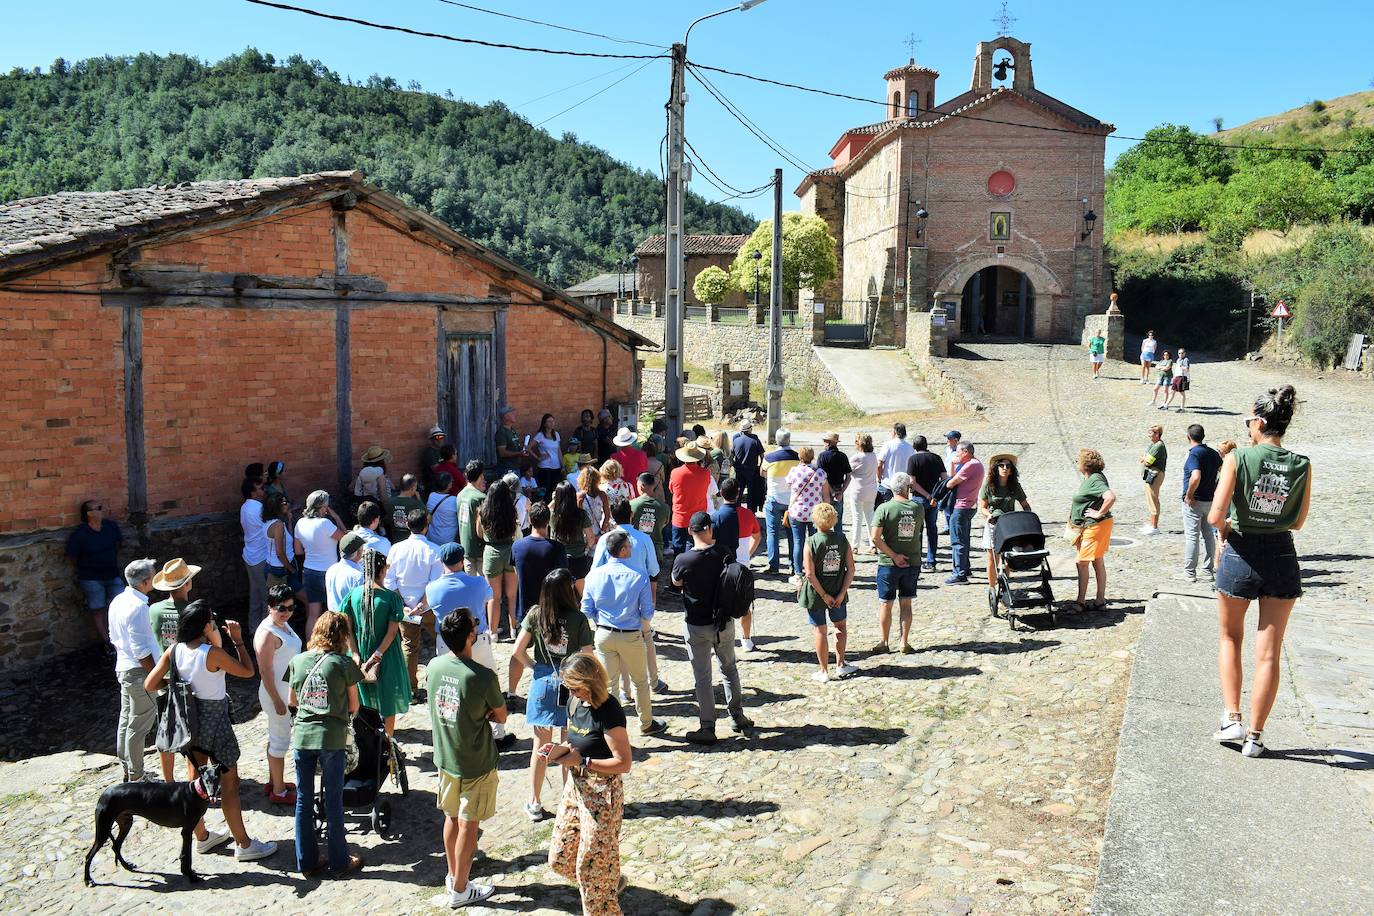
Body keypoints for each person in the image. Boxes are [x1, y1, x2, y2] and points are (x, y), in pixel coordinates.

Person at [1208, 385, 1311, 758]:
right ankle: (1255, 736)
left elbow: (1215, 515)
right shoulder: (1301, 464)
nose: (1248, 425)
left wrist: (1224, 534)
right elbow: (1298, 522)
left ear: (1261, 422)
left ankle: (1231, 717)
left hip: (1240, 552)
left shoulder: (1239, 458)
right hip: (1282, 556)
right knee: (1269, 653)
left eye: (1250, 419)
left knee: (1230, 638)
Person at [144, 599, 278, 862]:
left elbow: (150, 683)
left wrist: (179, 680)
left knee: (195, 783)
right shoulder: (212, 653)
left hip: (190, 723)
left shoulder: (174, 651)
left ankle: (203, 837)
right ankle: (243, 843)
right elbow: (248, 671)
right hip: (215, 723)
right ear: (205, 626)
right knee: (230, 785)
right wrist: (238, 640)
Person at [542, 653, 633, 916]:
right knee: (560, 858)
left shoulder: (609, 710)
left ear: (590, 682)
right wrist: (558, 750)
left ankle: (603, 888)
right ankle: (608, 880)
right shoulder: (574, 702)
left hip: (603, 795)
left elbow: (623, 763)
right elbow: (576, 742)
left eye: (574, 687)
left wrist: (584, 761)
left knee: (591, 873)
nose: (570, 692)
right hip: (576, 788)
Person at [428, 609, 506, 908]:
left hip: (446, 757)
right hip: (476, 760)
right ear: (471, 636)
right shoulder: (482, 677)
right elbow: (502, 716)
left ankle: (453, 875)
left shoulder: (434, 666)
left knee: (450, 818)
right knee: (469, 825)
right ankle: (461, 889)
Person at [508, 568, 595, 821]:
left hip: (543, 681)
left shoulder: (535, 614)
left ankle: (534, 801)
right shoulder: (578, 618)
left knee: (540, 746)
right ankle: (570, 799)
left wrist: (535, 667)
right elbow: (587, 655)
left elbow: (517, 650)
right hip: (571, 682)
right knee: (570, 745)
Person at [287, 611, 364, 878]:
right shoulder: (343, 664)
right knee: (332, 800)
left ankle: (305, 860)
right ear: (342, 635)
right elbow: (354, 706)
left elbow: (293, 701)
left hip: (302, 737)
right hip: (331, 737)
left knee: (303, 800)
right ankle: (339, 861)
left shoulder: (297, 661)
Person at [426, 543, 513, 750]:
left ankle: (454, 732)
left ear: (442, 562)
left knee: (450, 688)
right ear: (461, 560)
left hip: (447, 643)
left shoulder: (432, 588)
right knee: (490, 682)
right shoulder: (477, 583)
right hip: (477, 640)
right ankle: (497, 733)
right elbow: (488, 600)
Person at [673, 512, 751, 745]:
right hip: (724, 622)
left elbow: (676, 583)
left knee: (703, 677)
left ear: (690, 531)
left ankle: (707, 726)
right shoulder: (724, 552)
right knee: (729, 668)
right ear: (710, 529)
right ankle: (737, 716)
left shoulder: (684, 560)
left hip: (696, 624)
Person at [581, 530, 665, 736]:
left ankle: (614, 727)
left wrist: (601, 620)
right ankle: (646, 723)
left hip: (603, 634)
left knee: (610, 684)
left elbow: (586, 609)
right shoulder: (639, 576)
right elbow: (647, 611)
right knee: (640, 681)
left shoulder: (593, 575)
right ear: (624, 549)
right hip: (630, 634)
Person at [340, 548, 409, 735]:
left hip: (360, 654)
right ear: (382, 570)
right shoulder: (391, 598)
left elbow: (347, 629)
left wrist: (355, 654)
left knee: (363, 700)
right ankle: (388, 742)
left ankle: (367, 738)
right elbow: (392, 632)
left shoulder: (352, 596)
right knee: (388, 701)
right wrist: (376, 656)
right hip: (386, 654)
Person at [384, 511, 444, 701]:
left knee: (409, 647)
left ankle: (410, 689)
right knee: (443, 642)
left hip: (405, 609)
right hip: (429, 608)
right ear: (426, 526)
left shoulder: (395, 549)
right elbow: (434, 583)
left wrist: (403, 605)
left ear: (408, 526)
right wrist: (421, 604)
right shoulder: (434, 550)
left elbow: (390, 582)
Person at [110, 558, 160, 782]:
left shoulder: (118, 600)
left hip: (124, 668)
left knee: (126, 720)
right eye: (154, 574)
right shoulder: (139, 607)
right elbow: (141, 651)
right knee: (139, 726)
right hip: (138, 673)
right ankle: (136, 776)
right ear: (145, 581)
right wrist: (155, 677)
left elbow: (113, 637)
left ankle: (127, 768)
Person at [255, 584, 302, 806]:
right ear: (270, 607)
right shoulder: (267, 633)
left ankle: (275, 780)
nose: (286, 612)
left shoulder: (282, 625)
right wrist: (277, 700)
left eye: (291, 607)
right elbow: (264, 671)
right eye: (281, 608)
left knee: (276, 736)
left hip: (284, 692)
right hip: (277, 695)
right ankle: (279, 791)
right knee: (280, 740)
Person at [800, 503, 856, 682]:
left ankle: (824, 670)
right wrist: (841, 593)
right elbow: (851, 569)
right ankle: (841, 665)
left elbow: (809, 574)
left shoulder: (811, 542)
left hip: (816, 594)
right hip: (837, 589)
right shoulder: (842, 539)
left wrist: (823, 595)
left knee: (820, 631)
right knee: (840, 627)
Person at [870, 473, 924, 655]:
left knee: (886, 603)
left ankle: (884, 641)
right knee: (906, 603)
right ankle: (904, 642)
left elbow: (875, 538)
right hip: (912, 561)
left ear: (892, 488)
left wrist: (894, 555)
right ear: (908, 488)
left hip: (888, 563)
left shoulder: (884, 509)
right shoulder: (918, 508)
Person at [67, 498, 123, 651]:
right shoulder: (80, 534)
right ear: (89, 513)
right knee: (98, 609)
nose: (101, 510)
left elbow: (118, 545)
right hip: (91, 578)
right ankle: (107, 642)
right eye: (98, 508)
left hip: (112, 574)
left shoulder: (110, 527)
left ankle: (122, 638)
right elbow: (72, 556)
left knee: (123, 605)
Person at [1067, 448, 1116, 612]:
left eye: (1077, 461)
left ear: (1084, 464)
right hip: (1093, 526)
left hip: (1094, 526)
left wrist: (1099, 513)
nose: (1077, 464)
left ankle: (1080, 602)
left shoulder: (1095, 479)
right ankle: (1100, 600)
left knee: (1081, 563)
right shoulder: (1092, 478)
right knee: (1097, 561)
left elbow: (1110, 497)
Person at [1176, 423, 1222, 584]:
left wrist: (1189, 495)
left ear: (1188, 437)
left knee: (1192, 536)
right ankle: (1208, 571)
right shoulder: (1213, 453)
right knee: (1208, 535)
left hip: (1194, 501)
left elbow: (1195, 476)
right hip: (1209, 500)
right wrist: (1216, 489)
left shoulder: (1194, 455)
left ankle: (1190, 572)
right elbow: (1223, 473)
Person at [296, 490, 346, 636]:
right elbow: (345, 538)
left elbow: (298, 551)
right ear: (322, 507)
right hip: (329, 572)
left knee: (313, 614)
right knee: (334, 611)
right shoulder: (326, 523)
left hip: (309, 571)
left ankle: (311, 647)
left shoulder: (300, 523)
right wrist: (336, 517)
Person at [477, 477, 521, 639]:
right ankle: (514, 628)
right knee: (512, 594)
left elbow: (479, 534)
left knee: (494, 597)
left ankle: (493, 632)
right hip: (510, 550)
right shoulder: (511, 510)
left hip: (492, 552)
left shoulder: (482, 512)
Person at [979, 455, 1031, 590]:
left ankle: (1004, 588)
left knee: (1008, 558)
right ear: (996, 468)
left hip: (1009, 525)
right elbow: (982, 507)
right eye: (1001, 465)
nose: (1005, 468)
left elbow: (1025, 504)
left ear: (1011, 470)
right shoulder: (988, 485)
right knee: (992, 558)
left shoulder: (1015, 486)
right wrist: (989, 515)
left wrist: (1026, 517)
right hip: (994, 524)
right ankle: (992, 588)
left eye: (1008, 466)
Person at [513, 501, 569, 624]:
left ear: (530, 519)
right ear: (548, 520)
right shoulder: (558, 548)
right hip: (551, 609)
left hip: (526, 610)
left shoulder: (517, 546)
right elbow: (563, 578)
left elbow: (517, 574)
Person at [785, 447, 830, 587]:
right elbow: (826, 496)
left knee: (798, 542)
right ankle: (814, 570)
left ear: (800, 456)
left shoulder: (794, 471)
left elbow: (788, 487)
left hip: (797, 511)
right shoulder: (820, 473)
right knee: (814, 542)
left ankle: (798, 573)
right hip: (814, 513)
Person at [944, 442, 985, 585]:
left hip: (961, 507)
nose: (957, 455)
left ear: (966, 452)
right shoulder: (977, 463)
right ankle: (965, 568)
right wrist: (954, 464)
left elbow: (950, 482)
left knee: (957, 541)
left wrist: (954, 464)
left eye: (958, 452)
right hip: (969, 506)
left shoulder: (970, 466)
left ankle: (959, 574)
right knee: (964, 539)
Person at [760, 429, 800, 575]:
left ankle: (774, 565)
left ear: (777, 440)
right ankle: (794, 565)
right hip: (792, 501)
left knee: (772, 532)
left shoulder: (769, 457)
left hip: (774, 499)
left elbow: (762, 473)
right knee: (792, 533)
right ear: (789, 440)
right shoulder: (798, 457)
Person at [906, 436, 945, 571]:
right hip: (934, 500)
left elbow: (912, 482)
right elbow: (944, 479)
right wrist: (935, 495)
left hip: (918, 499)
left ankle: (917, 559)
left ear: (914, 446)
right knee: (932, 529)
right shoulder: (936, 458)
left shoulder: (913, 459)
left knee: (917, 531)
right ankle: (931, 560)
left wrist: (926, 495)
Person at [264, 493, 305, 621]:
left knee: (280, 607)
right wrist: (291, 569)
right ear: (278, 506)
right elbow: (280, 553)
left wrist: (289, 520)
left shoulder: (272, 522)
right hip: (281, 569)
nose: (287, 504)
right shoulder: (277, 525)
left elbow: (289, 538)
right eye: (284, 503)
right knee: (279, 609)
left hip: (277, 567)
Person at [668, 441, 714, 558]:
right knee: (695, 549)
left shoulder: (675, 473)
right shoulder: (706, 473)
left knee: (678, 549)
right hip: (697, 518)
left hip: (679, 517)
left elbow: (671, 490)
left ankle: (677, 571)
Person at [240, 477, 271, 632]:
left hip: (249, 555)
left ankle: (253, 628)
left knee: (255, 593)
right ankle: (265, 631)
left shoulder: (244, 507)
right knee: (266, 595)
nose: (263, 490)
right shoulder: (259, 508)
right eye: (260, 488)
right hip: (260, 557)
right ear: (253, 492)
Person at [552, 481, 597, 588]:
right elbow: (591, 538)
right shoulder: (581, 514)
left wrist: (553, 500)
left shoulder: (553, 515)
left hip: (560, 558)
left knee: (564, 594)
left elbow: (546, 509)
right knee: (583, 595)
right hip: (579, 558)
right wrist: (586, 549)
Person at [630, 471, 670, 574]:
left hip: (636, 550)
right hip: (656, 551)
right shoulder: (664, 507)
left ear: (642, 486)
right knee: (653, 582)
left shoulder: (631, 505)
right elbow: (665, 524)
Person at [844, 434, 879, 553]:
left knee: (857, 518)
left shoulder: (856, 458)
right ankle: (873, 544)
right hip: (871, 490)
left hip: (858, 490)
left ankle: (855, 546)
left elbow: (848, 471)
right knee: (870, 517)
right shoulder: (874, 456)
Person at [457, 461, 488, 577]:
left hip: (466, 548)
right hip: (480, 550)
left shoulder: (460, 495)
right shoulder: (480, 497)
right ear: (480, 476)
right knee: (484, 588)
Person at [816, 432, 852, 528]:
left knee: (823, 521)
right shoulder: (843, 456)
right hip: (839, 489)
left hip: (825, 492)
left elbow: (820, 477)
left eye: (824, 441)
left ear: (828, 442)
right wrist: (841, 492)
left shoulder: (822, 456)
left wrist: (831, 491)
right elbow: (849, 477)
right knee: (838, 521)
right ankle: (839, 542)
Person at [326, 532, 366, 614]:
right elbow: (361, 606)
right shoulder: (358, 576)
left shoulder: (331, 569)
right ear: (358, 552)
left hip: (333, 619)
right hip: (348, 622)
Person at [875, 423, 915, 506]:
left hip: (887, 483)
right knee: (901, 510)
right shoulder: (910, 448)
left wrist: (879, 478)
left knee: (880, 509)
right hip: (903, 485)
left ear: (894, 432)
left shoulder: (888, 445)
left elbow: (879, 464)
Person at [1139, 425, 1168, 536]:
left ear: (1157, 434)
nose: (1149, 435)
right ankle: (1152, 524)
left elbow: (1148, 462)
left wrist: (1144, 459)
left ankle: (1154, 527)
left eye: (1150, 433)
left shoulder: (1158, 446)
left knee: (1153, 499)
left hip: (1155, 475)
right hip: (1151, 475)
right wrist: (1145, 458)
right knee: (1150, 498)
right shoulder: (1154, 445)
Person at [731, 419, 765, 512]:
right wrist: (760, 467)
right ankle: (751, 513)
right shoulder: (755, 441)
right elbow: (762, 456)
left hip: (739, 471)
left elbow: (731, 456)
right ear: (750, 429)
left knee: (738, 493)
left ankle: (737, 512)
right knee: (751, 494)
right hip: (751, 471)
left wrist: (734, 465)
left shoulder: (736, 440)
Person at [529, 413, 564, 496]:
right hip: (545, 466)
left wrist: (562, 464)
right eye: (549, 421)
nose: (552, 423)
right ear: (544, 424)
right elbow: (528, 448)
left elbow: (558, 450)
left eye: (553, 421)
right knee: (545, 489)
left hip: (556, 466)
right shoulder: (540, 435)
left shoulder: (556, 434)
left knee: (554, 489)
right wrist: (538, 457)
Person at [388, 474, 426, 544]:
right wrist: (419, 500)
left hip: (395, 542)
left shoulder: (389, 502)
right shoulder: (416, 503)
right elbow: (428, 518)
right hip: (413, 542)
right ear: (412, 488)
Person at [610, 428, 647, 497]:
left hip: (620, 493)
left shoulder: (614, 457)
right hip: (638, 492)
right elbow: (644, 473)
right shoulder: (642, 455)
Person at [426, 472, 460, 546]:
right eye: (451, 482)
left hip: (432, 538)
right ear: (448, 485)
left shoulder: (431, 496)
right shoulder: (454, 500)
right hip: (448, 540)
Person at [577, 464, 611, 538]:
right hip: (598, 531)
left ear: (582, 480)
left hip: (585, 534)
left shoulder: (580, 496)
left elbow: (579, 518)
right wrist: (603, 529)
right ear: (598, 479)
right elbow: (607, 515)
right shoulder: (602, 495)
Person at [494, 405, 526, 479]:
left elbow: (514, 447)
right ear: (505, 416)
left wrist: (523, 449)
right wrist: (519, 453)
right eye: (512, 414)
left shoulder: (512, 430)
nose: (515, 415)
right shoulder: (502, 432)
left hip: (515, 467)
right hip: (507, 469)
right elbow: (502, 453)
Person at [421, 425, 447, 494]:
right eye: (436, 438)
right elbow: (436, 469)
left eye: (441, 437)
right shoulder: (429, 452)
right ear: (432, 440)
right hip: (434, 484)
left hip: (444, 481)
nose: (439, 440)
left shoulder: (443, 450)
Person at [1164, 346, 1191, 412]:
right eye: (1179, 353)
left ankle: (1182, 408)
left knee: (1182, 393)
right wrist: (1174, 377)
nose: (1180, 354)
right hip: (1177, 377)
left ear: (1184, 353)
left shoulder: (1185, 360)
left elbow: (1187, 369)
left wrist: (1182, 367)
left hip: (1182, 377)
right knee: (1172, 391)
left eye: (1182, 353)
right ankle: (1166, 405)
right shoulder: (1178, 360)